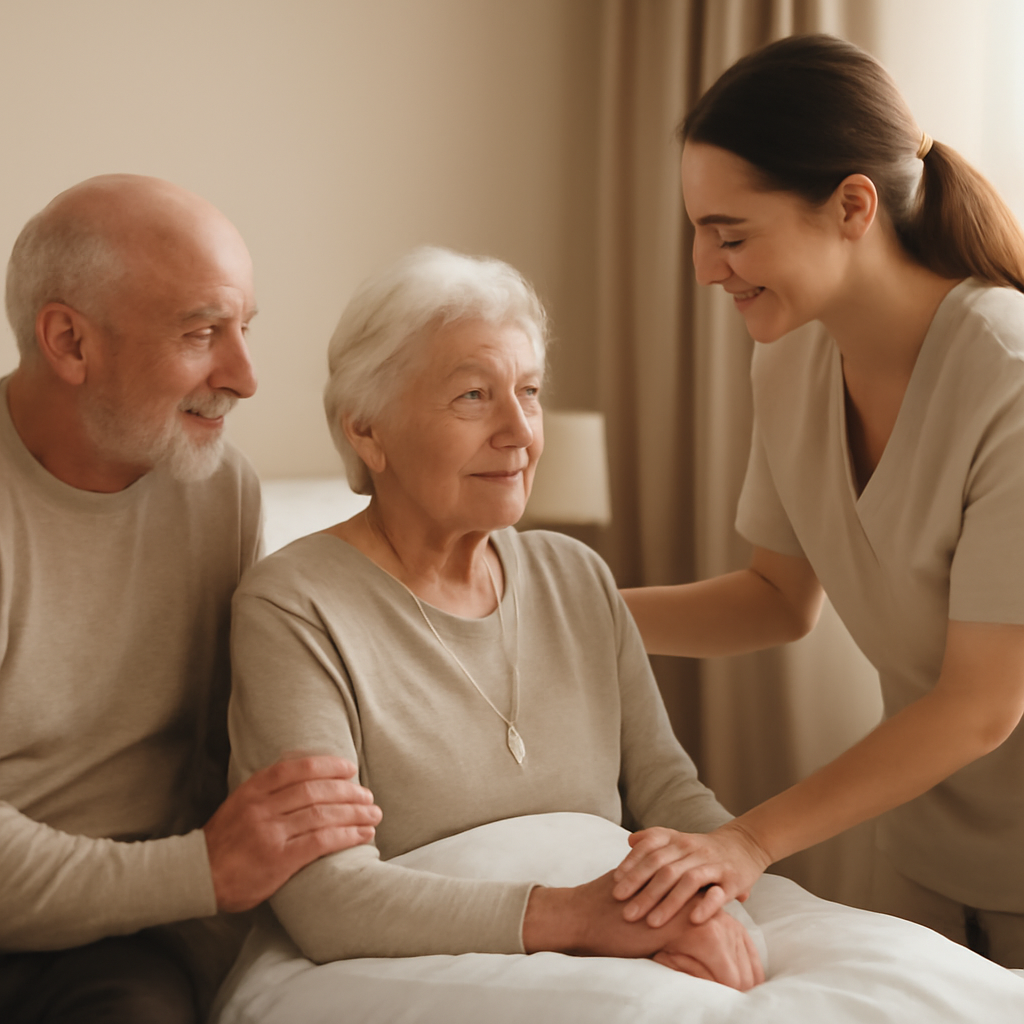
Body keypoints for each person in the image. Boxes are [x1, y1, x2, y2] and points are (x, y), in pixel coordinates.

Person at [226, 246, 764, 991]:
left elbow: (671, 797)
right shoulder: (295, 606)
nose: (519, 430)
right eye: (474, 395)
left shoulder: (577, 576)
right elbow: (327, 899)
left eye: (530, 391)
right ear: (367, 431)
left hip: (616, 933)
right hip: (408, 968)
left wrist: (716, 892)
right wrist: (584, 917)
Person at [613, 34, 1024, 969]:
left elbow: (982, 704)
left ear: (852, 207)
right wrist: (568, 614)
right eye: (698, 232)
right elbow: (775, 599)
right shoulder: (790, 357)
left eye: (731, 235)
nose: (703, 267)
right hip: (923, 852)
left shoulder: (1007, 375)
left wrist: (747, 841)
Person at [0, 174, 382, 1024]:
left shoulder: (217, 489)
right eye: (202, 333)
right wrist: (202, 873)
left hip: (123, 940)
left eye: (245, 329)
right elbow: (213, 860)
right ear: (69, 341)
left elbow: (222, 748)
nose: (244, 377)